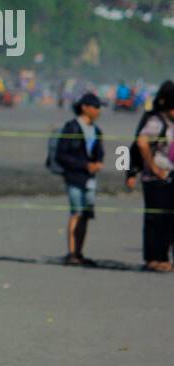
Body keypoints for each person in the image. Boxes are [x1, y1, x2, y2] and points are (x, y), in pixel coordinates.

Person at [55, 92, 106, 265]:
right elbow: (61, 155)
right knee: (76, 212)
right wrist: (84, 165)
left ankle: (79, 252)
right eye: (96, 107)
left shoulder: (96, 130)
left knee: (85, 214)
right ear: (85, 107)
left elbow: (99, 151)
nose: (98, 111)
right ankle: (71, 253)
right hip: (74, 176)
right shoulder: (72, 127)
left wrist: (98, 162)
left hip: (90, 179)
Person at [134, 81, 174, 271]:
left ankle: (164, 257)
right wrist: (153, 167)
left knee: (168, 220)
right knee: (155, 220)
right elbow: (141, 142)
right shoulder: (156, 122)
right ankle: (153, 259)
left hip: (170, 178)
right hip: (156, 180)